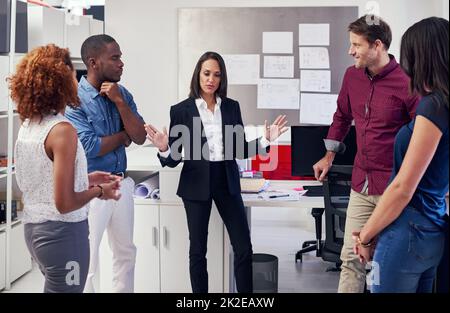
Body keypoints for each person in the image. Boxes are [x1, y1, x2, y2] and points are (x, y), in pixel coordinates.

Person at [145, 51, 287, 293]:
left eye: (216, 75)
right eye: (206, 73)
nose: (211, 79)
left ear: (222, 79)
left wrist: (265, 139)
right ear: (198, 75)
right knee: (198, 250)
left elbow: (239, 149)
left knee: (243, 247)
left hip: (226, 180)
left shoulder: (231, 107)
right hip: (195, 183)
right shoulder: (180, 110)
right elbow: (173, 160)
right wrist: (164, 148)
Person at [312, 15, 420, 293]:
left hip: (392, 188)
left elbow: (422, 135)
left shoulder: (408, 82)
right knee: (351, 258)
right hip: (361, 183)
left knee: (386, 262)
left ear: (378, 46)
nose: (351, 51)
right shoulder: (352, 76)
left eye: (356, 45)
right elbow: (342, 116)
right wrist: (329, 155)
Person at [10, 44, 121, 293]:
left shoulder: (30, 125)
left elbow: (43, 178)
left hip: (35, 232)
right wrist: (99, 191)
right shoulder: (62, 130)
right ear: (61, 80)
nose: (76, 79)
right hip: (63, 235)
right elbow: (65, 203)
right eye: (72, 73)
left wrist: (87, 178)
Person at [353, 17, 449, 293]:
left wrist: (367, 235)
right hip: (432, 228)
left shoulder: (433, 107)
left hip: (408, 233)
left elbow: (403, 188)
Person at [65, 35, 147, 293]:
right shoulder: (74, 100)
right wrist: (123, 136)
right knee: (87, 258)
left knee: (126, 253)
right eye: (115, 58)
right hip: (92, 188)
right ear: (93, 62)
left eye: (120, 57)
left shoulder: (123, 94)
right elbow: (90, 147)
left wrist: (120, 103)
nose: (121, 63)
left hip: (121, 184)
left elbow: (140, 136)